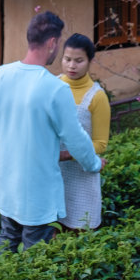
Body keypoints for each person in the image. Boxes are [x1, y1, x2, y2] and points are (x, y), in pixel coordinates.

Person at [0, 9, 103, 261]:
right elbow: (77, 139)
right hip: (37, 193)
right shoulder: (54, 88)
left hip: (7, 184)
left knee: (6, 240)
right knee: (35, 260)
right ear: (52, 43)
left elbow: (3, 128)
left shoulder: (0, 74)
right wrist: (94, 164)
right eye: (59, 43)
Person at [57, 33, 110, 231]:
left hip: (81, 175)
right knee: (51, 235)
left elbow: (100, 144)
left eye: (79, 61)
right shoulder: (52, 86)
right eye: (67, 59)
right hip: (53, 174)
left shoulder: (97, 97)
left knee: (80, 233)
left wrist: (67, 155)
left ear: (90, 61)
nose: (71, 66)